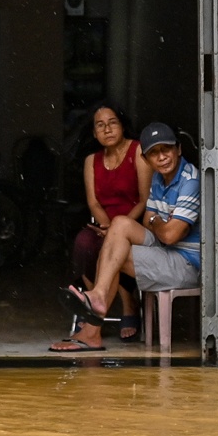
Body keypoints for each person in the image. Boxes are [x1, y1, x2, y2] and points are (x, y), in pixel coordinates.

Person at [51, 122, 201, 353]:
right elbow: (147, 220)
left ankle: (92, 327)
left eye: (166, 149)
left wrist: (157, 222)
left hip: (186, 263)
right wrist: (161, 222)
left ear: (178, 149)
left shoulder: (190, 180)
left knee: (114, 254)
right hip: (165, 251)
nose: (161, 157)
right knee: (119, 225)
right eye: (154, 153)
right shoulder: (159, 179)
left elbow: (170, 235)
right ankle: (99, 298)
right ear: (146, 159)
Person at [74, 104, 147, 336]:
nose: (107, 129)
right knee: (84, 243)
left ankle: (129, 305)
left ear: (123, 126)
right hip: (104, 223)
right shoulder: (91, 161)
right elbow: (93, 202)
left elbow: (145, 199)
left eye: (112, 122)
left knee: (117, 246)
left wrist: (117, 228)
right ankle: (92, 306)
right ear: (94, 133)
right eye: (100, 125)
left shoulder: (138, 151)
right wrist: (107, 226)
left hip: (135, 224)